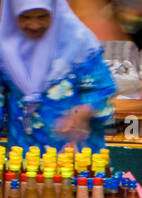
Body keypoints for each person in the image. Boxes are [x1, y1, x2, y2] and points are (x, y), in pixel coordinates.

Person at [0, 0, 116, 152]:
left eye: (42, 16)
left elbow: (102, 89)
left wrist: (83, 112)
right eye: (25, 17)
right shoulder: (5, 48)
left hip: (75, 153)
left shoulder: (79, 42)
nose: (34, 25)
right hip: (24, 153)